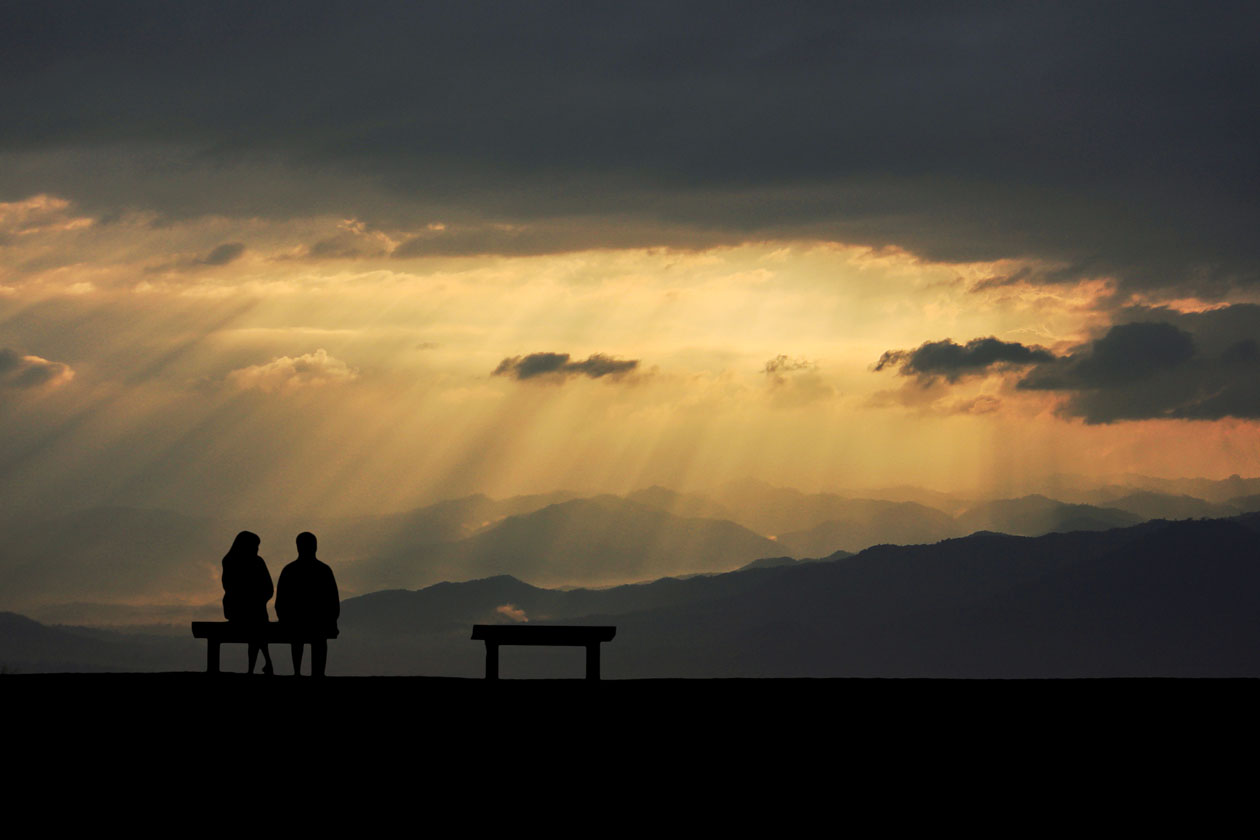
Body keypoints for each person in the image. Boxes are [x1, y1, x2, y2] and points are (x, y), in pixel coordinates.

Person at [275, 531, 340, 677]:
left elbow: (281, 601)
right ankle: (318, 673)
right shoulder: (324, 570)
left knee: (297, 639)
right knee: (318, 640)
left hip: (295, 622)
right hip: (316, 622)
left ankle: (297, 671)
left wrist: (284, 619)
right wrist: (331, 619)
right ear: (315, 547)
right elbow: (333, 600)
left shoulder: (289, 570)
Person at [220, 530, 275, 675]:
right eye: (255, 546)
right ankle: (266, 662)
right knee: (258, 625)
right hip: (238, 610)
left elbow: (269, 588)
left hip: (247, 609)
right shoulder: (233, 561)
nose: (257, 549)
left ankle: (259, 666)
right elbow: (230, 587)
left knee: (257, 626)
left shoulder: (231, 560)